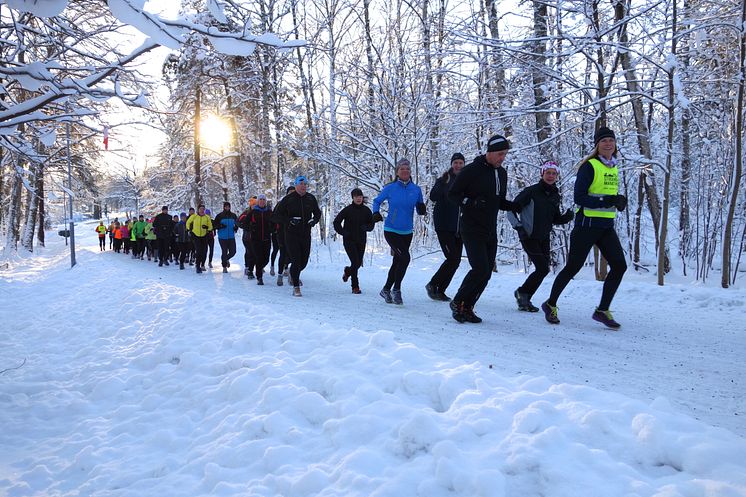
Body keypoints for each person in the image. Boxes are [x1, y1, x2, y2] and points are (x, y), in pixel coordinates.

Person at [541, 127, 628, 328]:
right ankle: (550, 303)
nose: (608, 144)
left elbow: (606, 194)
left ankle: (602, 310)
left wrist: (619, 201)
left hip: (606, 226)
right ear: (597, 145)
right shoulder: (589, 166)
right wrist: (607, 200)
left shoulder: (613, 166)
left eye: (611, 140)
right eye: (604, 140)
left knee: (620, 266)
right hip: (586, 225)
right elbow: (579, 197)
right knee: (573, 267)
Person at [447, 134, 518, 323]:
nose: (502, 158)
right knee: (479, 268)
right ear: (490, 152)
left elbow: (498, 201)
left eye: (505, 154)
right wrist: (470, 202)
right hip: (470, 227)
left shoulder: (501, 173)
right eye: (500, 154)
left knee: (486, 273)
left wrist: (514, 205)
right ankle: (458, 302)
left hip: (490, 228)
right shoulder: (471, 170)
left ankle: (467, 307)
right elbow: (453, 195)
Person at [507, 161, 574, 312]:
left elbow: (554, 218)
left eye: (554, 173)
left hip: (544, 237)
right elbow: (510, 210)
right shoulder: (531, 192)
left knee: (544, 270)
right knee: (542, 268)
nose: (550, 176)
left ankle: (524, 296)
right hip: (529, 236)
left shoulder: (555, 195)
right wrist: (519, 228)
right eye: (548, 173)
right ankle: (523, 293)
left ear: (557, 176)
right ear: (542, 174)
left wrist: (566, 218)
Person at [372, 158, 426, 305]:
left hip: (407, 231)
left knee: (398, 261)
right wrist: (375, 213)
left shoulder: (416, 189)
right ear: (397, 172)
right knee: (405, 258)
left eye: (407, 169)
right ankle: (397, 289)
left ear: (410, 172)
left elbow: (420, 205)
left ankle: (386, 289)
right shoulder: (390, 188)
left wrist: (421, 208)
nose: (405, 171)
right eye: (402, 169)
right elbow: (376, 201)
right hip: (391, 230)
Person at [272, 176, 322, 297]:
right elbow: (275, 216)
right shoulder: (288, 199)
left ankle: (293, 274)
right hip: (291, 234)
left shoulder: (310, 198)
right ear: (296, 186)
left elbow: (317, 213)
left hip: (305, 234)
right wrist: (289, 220)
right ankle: (296, 286)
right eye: (301, 184)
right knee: (296, 260)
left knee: (303, 262)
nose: (303, 186)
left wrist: (314, 221)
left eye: (305, 184)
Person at [425, 152, 465, 302]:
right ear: (451, 164)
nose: (458, 165)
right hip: (444, 225)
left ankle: (440, 290)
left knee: (456, 260)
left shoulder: (466, 180)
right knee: (452, 258)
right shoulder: (443, 179)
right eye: (456, 163)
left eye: (461, 163)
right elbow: (433, 197)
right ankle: (433, 284)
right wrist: (442, 183)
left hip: (460, 227)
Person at [333, 188, 375, 294]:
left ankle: (348, 271)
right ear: (352, 198)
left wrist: (366, 227)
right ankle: (355, 287)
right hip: (349, 240)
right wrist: (343, 232)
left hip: (361, 240)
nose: (358, 199)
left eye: (360, 197)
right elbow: (336, 222)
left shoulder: (366, 210)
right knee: (355, 262)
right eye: (356, 197)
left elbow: (371, 225)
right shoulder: (347, 210)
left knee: (357, 263)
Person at [249, 194, 274, 285]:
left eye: (264, 199)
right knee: (259, 258)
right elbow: (243, 223)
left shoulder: (269, 212)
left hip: (267, 239)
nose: (262, 201)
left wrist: (273, 228)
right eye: (261, 199)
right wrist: (251, 227)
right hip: (256, 239)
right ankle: (259, 277)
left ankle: (258, 268)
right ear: (258, 201)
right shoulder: (253, 211)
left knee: (266, 259)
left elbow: (275, 222)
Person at [186, 204, 213, 274]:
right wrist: (190, 230)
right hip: (196, 235)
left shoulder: (207, 217)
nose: (202, 210)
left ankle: (202, 264)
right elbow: (188, 223)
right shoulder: (194, 216)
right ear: (198, 209)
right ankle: (197, 266)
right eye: (200, 209)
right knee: (198, 251)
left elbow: (210, 227)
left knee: (204, 251)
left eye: (203, 209)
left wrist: (207, 227)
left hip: (204, 236)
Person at [214, 201, 238, 273]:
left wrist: (236, 228)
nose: (227, 208)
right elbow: (215, 225)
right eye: (226, 206)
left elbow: (237, 223)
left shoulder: (233, 215)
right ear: (223, 207)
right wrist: (220, 226)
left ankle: (225, 259)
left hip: (231, 236)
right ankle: (224, 267)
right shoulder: (219, 216)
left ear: (230, 207)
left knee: (233, 252)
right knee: (224, 252)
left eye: (228, 206)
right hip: (222, 237)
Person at [238, 197, 258, 279]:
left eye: (255, 204)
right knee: (250, 253)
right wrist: (246, 226)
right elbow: (238, 221)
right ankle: (248, 268)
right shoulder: (246, 212)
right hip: (247, 237)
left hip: (257, 237)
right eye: (253, 204)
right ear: (250, 205)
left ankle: (256, 267)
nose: (254, 206)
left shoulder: (260, 212)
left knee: (256, 253)